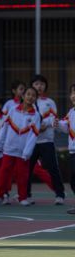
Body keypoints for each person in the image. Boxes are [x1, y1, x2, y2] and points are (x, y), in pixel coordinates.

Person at [0, 87, 41, 206]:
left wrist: (27, 152)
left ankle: (22, 197)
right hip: (9, 148)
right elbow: (4, 129)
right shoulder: (12, 110)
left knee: (22, 175)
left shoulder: (36, 116)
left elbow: (33, 136)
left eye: (33, 95)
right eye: (28, 94)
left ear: (35, 99)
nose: (30, 97)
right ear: (23, 96)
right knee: (4, 173)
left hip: (23, 151)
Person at [27, 74, 65, 205]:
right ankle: (26, 195)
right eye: (36, 84)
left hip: (46, 141)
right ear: (32, 86)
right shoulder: (27, 103)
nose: (39, 86)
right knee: (28, 168)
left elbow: (54, 119)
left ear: (45, 87)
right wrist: (35, 127)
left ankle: (60, 194)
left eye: (42, 84)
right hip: (31, 141)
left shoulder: (50, 102)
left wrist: (45, 124)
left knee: (52, 167)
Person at [55, 84, 75, 214]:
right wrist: (57, 124)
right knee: (73, 179)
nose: (74, 95)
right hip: (73, 151)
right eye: (72, 93)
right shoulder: (71, 112)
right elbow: (66, 126)